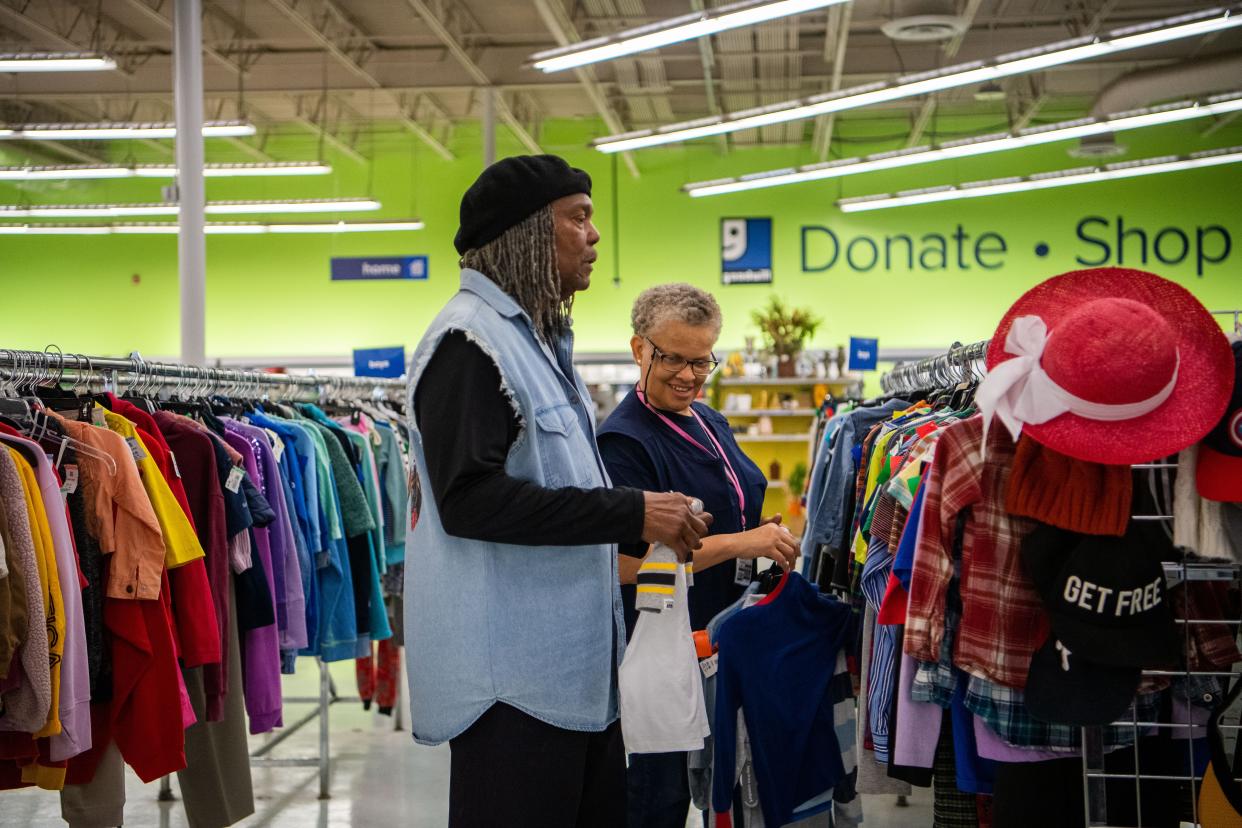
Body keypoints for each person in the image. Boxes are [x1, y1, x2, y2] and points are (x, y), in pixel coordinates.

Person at [403, 155, 712, 828]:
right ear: (524, 234)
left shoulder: (535, 343)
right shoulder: (468, 343)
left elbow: (549, 484)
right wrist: (631, 509)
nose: (595, 235)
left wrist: (642, 521)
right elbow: (470, 500)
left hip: (570, 683)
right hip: (513, 695)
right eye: (578, 218)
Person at [597, 283, 801, 828]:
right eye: (672, 359)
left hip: (723, 639)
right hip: (665, 646)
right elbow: (623, 565)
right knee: (657, 798)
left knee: (729, 792)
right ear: (639, 349)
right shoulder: (624, 443)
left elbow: (730, 509)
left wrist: (759, 535)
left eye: (702, 360)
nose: (689, 375)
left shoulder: (709, 420)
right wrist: (744, 543)